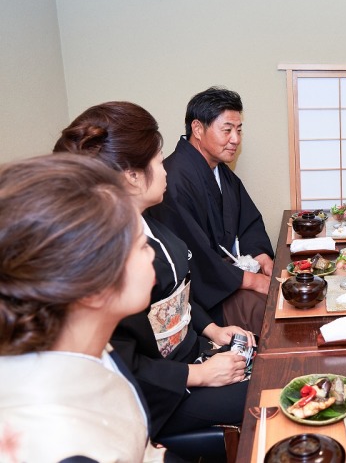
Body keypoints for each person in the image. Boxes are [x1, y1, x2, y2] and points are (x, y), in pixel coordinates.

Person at [54, 101, 252, 437]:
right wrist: (200, 374)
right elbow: (120, 364)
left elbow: (178, 295)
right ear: (131, 177)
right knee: (264, 390)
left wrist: (213, 331)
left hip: (193, 353)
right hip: (162, 389)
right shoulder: (105, 265)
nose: (165, 171)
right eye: (160, 162)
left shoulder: (150, 227)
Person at [0, 154, 165, 462]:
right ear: (93, 288)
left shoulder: (86, 346)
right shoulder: (55, 443)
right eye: (142, 245)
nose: (152, 255)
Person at [148, 87, 273, 333]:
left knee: (284, 300)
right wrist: (253, 281)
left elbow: (248, 222)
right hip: (205, 298)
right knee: (270, 312)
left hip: (230, 276)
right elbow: (195, 257)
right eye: (227, 130)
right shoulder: (173, 181)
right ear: (197, 128)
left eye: (238, 130)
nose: (235, 139)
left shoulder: (220, 172)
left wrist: (262, 257)